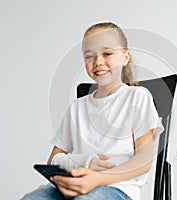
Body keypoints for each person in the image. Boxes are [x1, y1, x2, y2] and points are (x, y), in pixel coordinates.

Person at [21, 22, 164, 200]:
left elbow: (144, 160)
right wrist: (84, 162)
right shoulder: (77, 107)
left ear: (125, 56)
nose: (98, 62)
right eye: (89, 56)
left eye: (107, 53)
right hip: (74, 183)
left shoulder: (137, 97)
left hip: (118, 189)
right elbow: (54, 159)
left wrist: (98, 179)